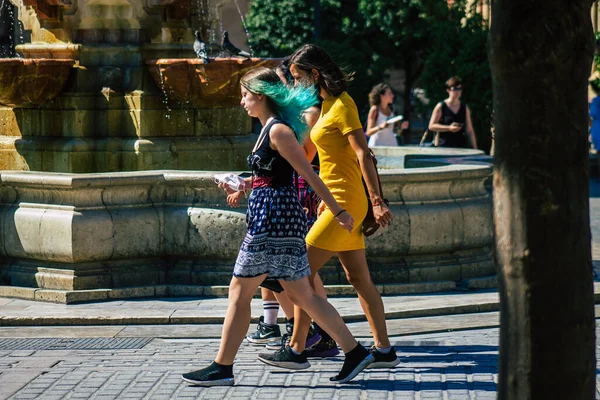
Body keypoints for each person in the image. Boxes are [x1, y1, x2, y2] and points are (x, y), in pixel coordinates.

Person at [181, 67, 374, 386]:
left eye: (245, 95)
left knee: (240, 290)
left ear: (260, 96)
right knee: (303, 296)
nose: (241, 101)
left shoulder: (279, 131)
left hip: (273, 222)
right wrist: (243, 185)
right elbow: (273, 176)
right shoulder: (268, 128)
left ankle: (222, 367)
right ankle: (354, 352)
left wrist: (338, 210)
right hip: (274, 217)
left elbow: (309, 175)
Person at [257, 44, 398, 370]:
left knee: (297, 274)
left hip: (348, 202)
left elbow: (363, 153)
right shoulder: (329, 104)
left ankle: (297, 348)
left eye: (298, 77)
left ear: (315, 74)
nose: (296, 83)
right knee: (359, 279)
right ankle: (384, 350)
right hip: (337, 201)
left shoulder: (344, 105)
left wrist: (377, 202)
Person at [428, 76, 478, 149]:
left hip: (461, 147)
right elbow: (431, 126)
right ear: (448, 90)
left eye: (460, 89)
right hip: (444, 147)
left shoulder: (464, 108)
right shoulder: (441, 106)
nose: (458, 92)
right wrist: (449, 128)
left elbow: (469, 130)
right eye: (455, 89)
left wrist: (475, 148)